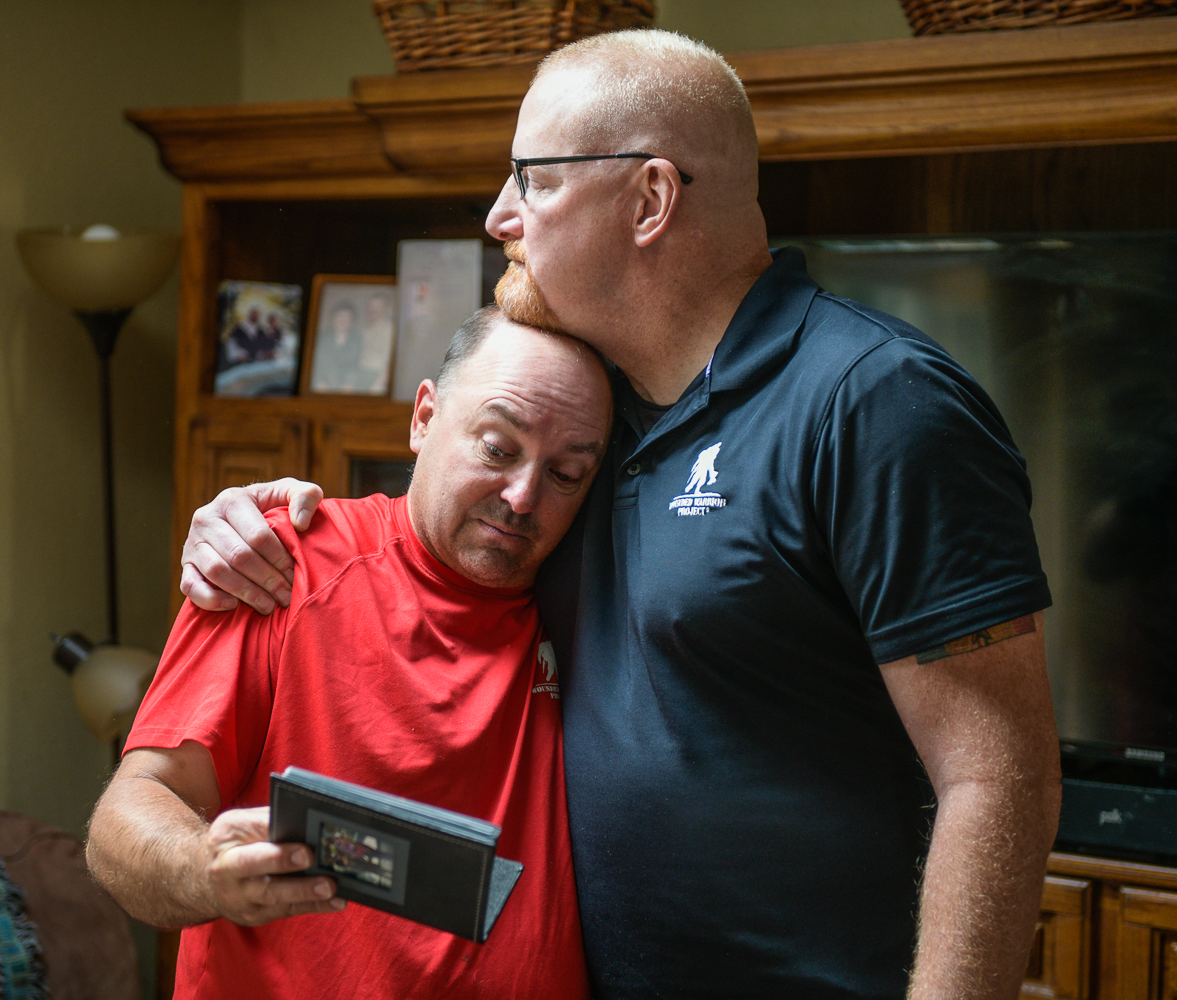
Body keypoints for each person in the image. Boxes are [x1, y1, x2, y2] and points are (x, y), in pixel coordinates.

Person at [176, 30, 1061, 1000]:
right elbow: (436, 525)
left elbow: (1000, 777)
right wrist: (257, 517)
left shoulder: (875, 402)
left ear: (649, 200)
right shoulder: (593, 428)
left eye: (533, 179)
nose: (498, 214)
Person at [86, 308, 613, 1000]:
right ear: (423, 418)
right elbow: (127, 819)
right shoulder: (280, 563)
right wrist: (201, 868)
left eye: (566, 474)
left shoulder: (595, 593)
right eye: (496, 446)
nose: (523, 497)